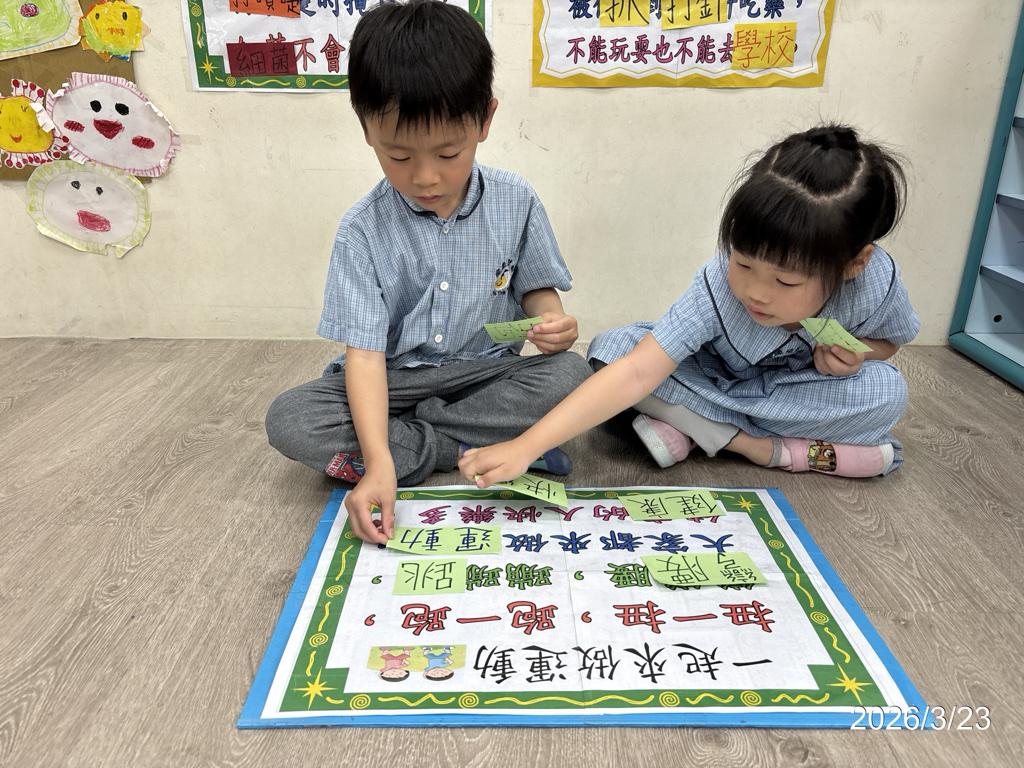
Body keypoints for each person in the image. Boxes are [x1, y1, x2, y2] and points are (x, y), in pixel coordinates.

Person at [265, 0, 591, 544]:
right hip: (390, 381)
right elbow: (364, 358)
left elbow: (536, 289)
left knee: (571, 376)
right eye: (398, 156)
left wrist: (552, 321)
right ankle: (467, 448)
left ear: (485, 120)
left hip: (484, 374)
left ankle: (411, 446)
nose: (425, 178)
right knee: (292, 419)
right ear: (365, 127)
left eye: (448, 153)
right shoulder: (362, 230)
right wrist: (378, 462)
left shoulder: (516, 200)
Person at [460, 125, 920, 487]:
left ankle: (710, 433)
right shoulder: (717, 284)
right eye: (743, 262)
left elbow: (889, 343)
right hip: (708, 380)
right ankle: (754, 443)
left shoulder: (875, 284)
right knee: (613, 350)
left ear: (854, 263)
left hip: (792, 393)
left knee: (887, 392)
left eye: (785, 280)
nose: (756, 292)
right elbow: (638, 370)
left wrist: (859, 354)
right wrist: (525, 446)